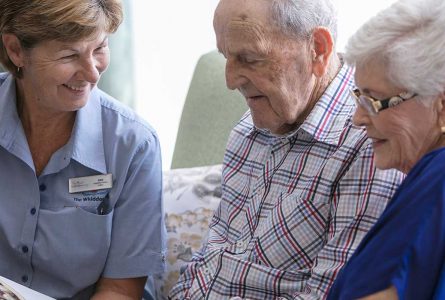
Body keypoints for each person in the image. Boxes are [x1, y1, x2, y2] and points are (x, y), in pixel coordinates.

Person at [169, 0, 404, 298]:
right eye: (226, 57)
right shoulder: (247, 130)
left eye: (250, 58)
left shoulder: (369, 144)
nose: (230, 81)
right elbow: (207, 264)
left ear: (317, 49)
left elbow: (331, 294)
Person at [0, 0, 165, 299]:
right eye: (69, 55)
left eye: (100, 48)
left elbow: (121, 291)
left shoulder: (134, 146)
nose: (92, 73)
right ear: (15, 50)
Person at [327, 0, 445, 299]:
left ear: (442, 107)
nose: (357, 118)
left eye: (374, 100)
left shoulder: (438, 178)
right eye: (358, 96)